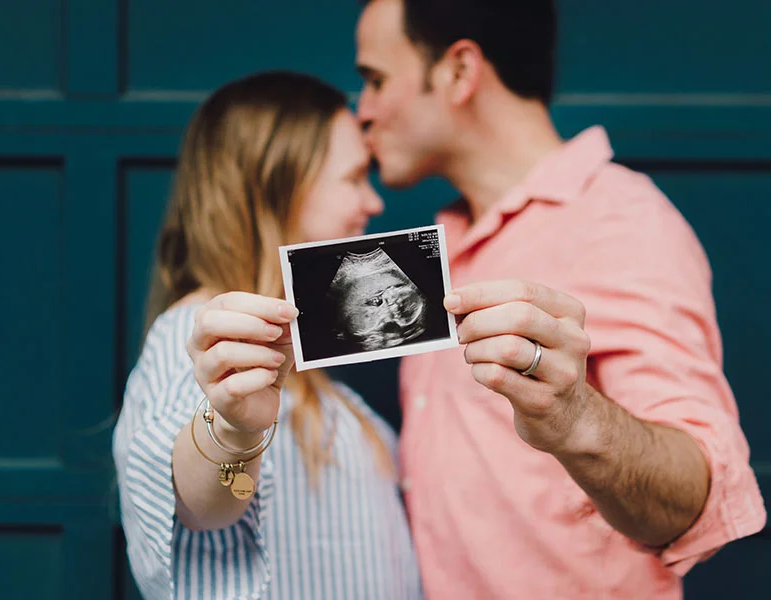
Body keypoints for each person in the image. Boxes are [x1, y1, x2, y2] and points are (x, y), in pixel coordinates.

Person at [354, 1, 766, 598]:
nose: (361, 111)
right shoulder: (438, 248)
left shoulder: (619, 222)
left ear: (459, 72)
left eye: (376, 80)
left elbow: (693, 501)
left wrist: (575, 418)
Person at [113, 71, 421, 600]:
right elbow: (198, 504)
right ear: (275, 188)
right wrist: (233, 430)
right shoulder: (200, 339)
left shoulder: (304, 367)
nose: (373, 203)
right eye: (352, 178)